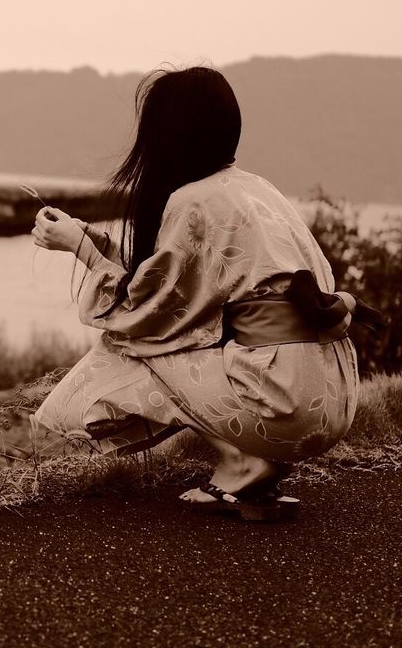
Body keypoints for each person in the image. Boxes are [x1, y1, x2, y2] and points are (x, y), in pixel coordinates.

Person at [31, 66, 378, 521]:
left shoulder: (192, 200)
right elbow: (177, 281)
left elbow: (146, 310)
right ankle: (258, 463)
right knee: (156, 337)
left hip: (284, 404)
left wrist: (79, 250)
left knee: (133, 342)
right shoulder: (258, 188)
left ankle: (243, 461)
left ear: (166, 133)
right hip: (333, 395)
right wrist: (95, 243)